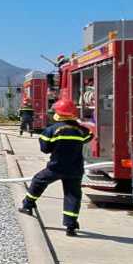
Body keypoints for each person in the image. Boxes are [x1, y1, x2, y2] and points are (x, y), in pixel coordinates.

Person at [18, 99, 92, 236]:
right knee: (73, 196)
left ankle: (27, 205)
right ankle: (71, 226)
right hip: (75, 170)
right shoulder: (81, 131)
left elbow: (45, 149)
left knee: (38, 181)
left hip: (56, 168)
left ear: (57, 114)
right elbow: (89, 136)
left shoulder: (51, 130)